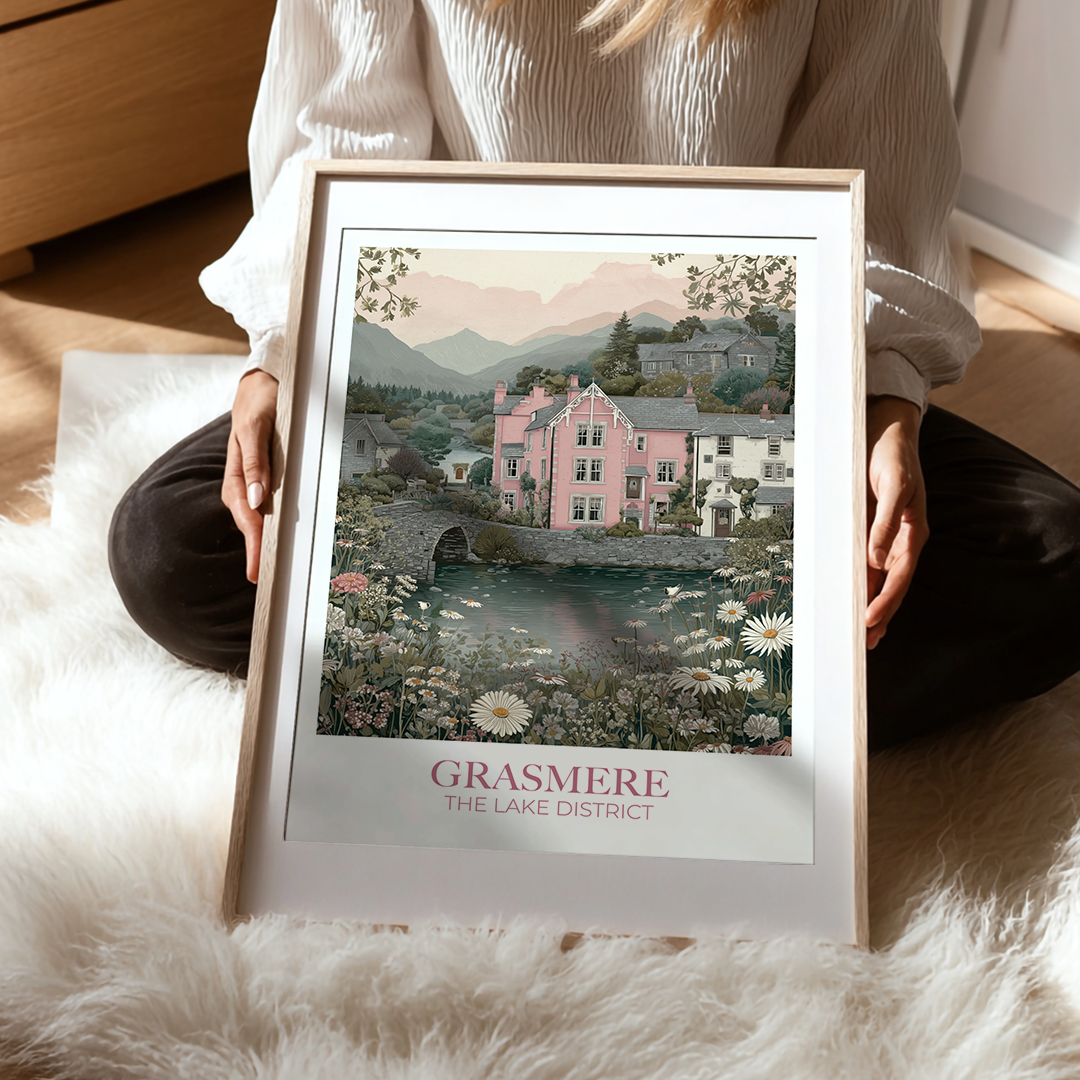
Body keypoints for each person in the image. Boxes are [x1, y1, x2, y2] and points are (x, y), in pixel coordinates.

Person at [108, 0, 1080, 748]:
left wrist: (879, 403)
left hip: (788, 354)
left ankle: (531, 690)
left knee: (1055, 561)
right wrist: (283, 356)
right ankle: (702, 701)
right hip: (470, 342)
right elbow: (339, 141)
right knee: (177, 547)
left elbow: (876, 170)